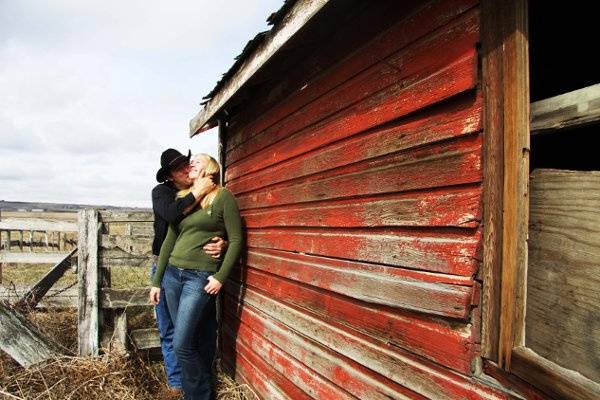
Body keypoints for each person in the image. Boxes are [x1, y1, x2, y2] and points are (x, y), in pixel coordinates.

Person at [150, 153, 243, 400]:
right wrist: (156, 281)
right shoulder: (180, 198)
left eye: (196, 162)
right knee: (181, 337)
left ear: (211, 169)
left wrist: (221, 276)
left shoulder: (223, 198)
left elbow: (236, 239)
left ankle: (199, 395)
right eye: (186, 164)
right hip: (171, 274)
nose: (190, 165)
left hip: (198, 277)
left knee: (184, 342)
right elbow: (170, 240)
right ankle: (192, 389)